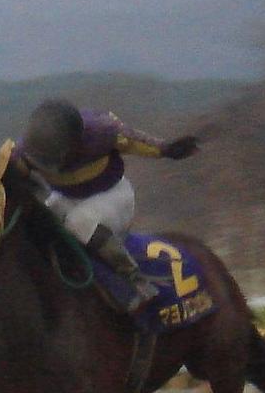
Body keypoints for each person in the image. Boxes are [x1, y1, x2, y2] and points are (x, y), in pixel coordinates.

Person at [18, 98, 199, 314]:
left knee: (78, 222)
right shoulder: (27, 150)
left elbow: (135, 142)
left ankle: (134, 280)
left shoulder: (102, 132)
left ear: (75, 143)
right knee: (43, 216)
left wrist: (167, 149)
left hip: (112, 195)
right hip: (67, 197)